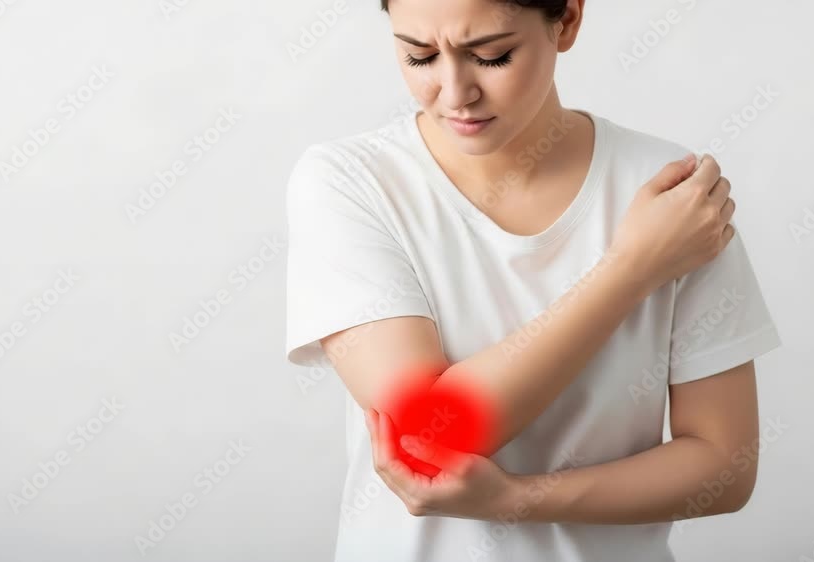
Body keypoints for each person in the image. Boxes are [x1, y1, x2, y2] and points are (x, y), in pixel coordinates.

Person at [284, 0, 782, 560]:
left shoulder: (672, 196)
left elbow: (723, 464)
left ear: (566, 21)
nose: (455, 93)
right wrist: (633, 268)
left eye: (492, 56)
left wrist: (517, 499)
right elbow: (429, 436)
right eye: (419, 57)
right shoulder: (351, 183)